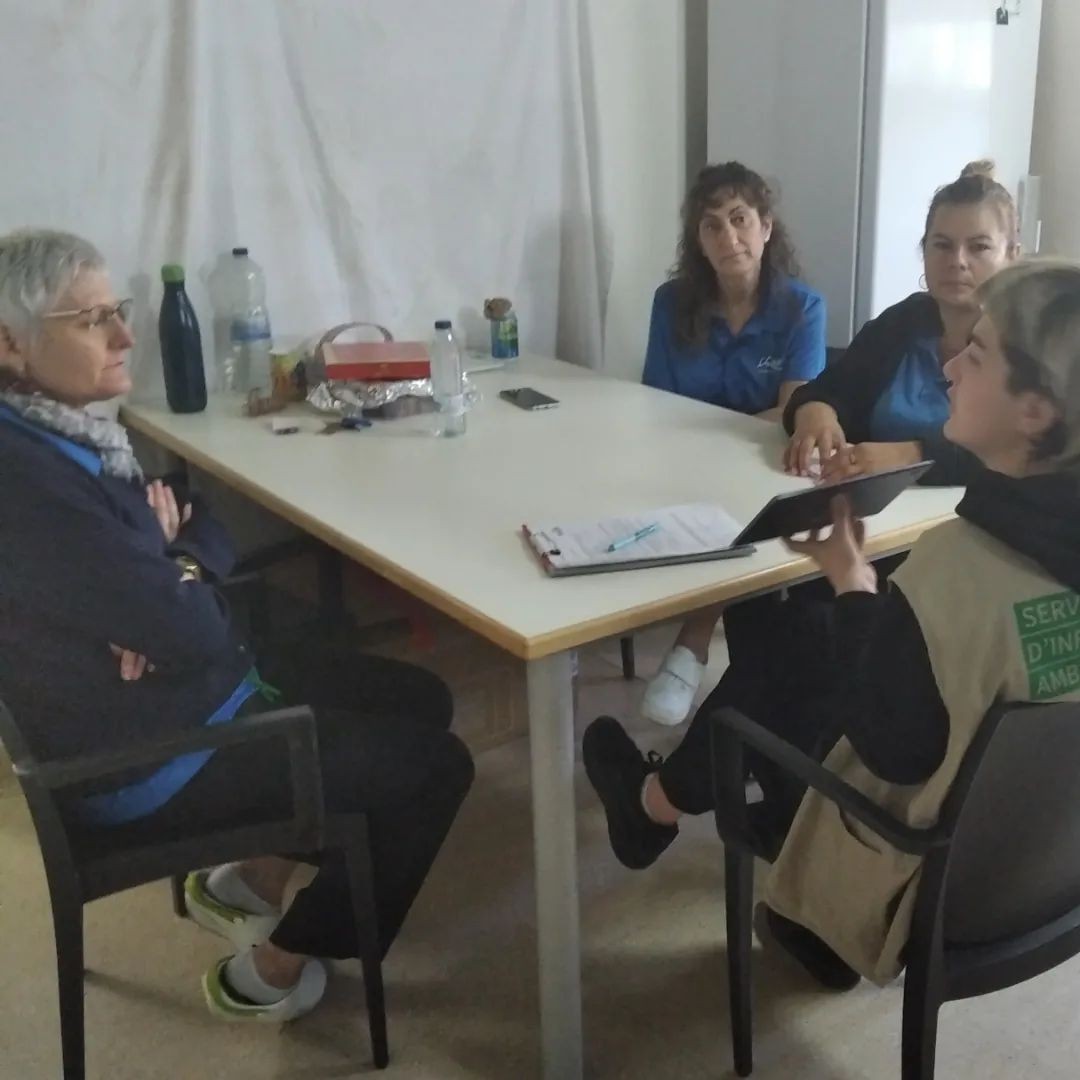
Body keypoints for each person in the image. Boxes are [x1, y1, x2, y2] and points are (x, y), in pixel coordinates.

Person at [0, 229, 474, 1021]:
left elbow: (197, 514)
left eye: (117, 311)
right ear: (9, 344)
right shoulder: (28, 483)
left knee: (421, 698)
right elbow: (196, 633)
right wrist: (165, 579)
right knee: (436, 769)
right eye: (91, 320)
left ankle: (250, 879)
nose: (124, 337)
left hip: (179, 695)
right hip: (145, 757)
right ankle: (275, 968)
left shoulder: (58, 429)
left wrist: (171, 564)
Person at [584, 258, 1080, 989]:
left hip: (913, 882)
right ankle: (697, 819)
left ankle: (664, 808)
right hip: (1039, 874)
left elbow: (892, 749)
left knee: (776, 669)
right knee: (798, 643)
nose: (950, 366)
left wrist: (854, 584)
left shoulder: (955, 568)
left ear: (1034, 411)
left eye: (976, 355)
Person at [640, 161, 827, 726]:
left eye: (740, 219)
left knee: (733, 506)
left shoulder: (802, 308)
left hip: (762, 463)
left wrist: (708, 430)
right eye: (712, 225)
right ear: (698, 241)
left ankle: (693, 643)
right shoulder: (671, 303)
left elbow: (793, 411)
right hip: (682, 458)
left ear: (766, 227)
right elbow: (655, 403)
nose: (729, 237)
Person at [784, 160, 1019, 485]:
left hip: (977, 513)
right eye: (942, 245)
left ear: (1012, 256)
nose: (957, 261)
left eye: (979, 247)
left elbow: (1027, 448)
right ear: (924, 251)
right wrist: (815, 412)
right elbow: (826, 389)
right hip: (873, 505)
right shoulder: (903, 322)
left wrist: (911, 456)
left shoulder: (1027, 342)